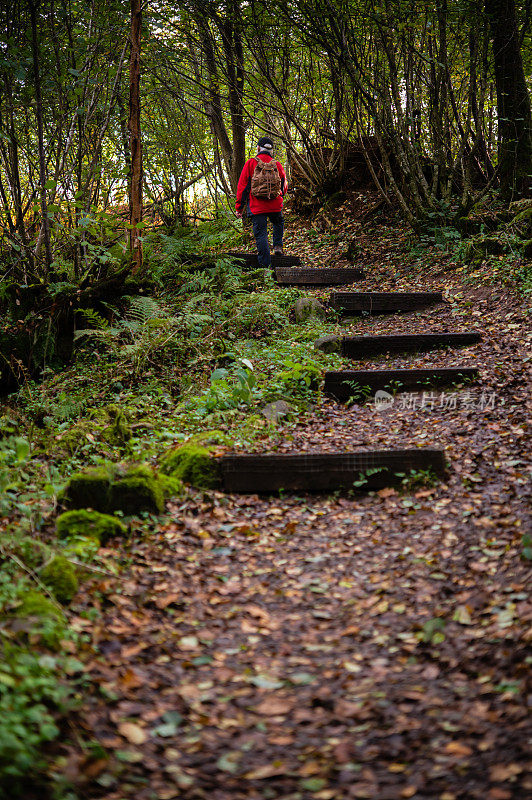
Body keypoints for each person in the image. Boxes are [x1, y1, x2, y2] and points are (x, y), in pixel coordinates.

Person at [235, 136, 288, 267]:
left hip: (257, 207)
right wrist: (280, 196)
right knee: (278, 222)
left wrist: (239, 208)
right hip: (275, 205)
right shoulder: (277, 164)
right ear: (271, 151)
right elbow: (284, 186)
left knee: (261, 234)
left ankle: (265, 268)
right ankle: (277, 246)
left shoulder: (251, 163)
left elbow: (243, 187)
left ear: (258, 148)